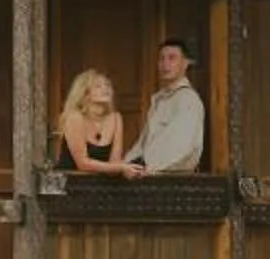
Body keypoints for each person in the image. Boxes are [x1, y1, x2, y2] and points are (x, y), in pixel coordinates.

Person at [124, 37, 206, 177]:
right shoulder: (158, 100)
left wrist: (147, 167)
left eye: (172, 58)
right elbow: (143, 142)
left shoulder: (188, 100)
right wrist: (125, 165)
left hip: (173, 177)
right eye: (161, 59)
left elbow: (181, 146)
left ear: (185, 64)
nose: (165, 64)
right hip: (148, 174)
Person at [58, 67, 130, 174]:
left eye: (107, 85)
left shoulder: (116, 118)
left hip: (102, 183)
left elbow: (115, 162)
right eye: (98, 86)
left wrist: (124, 168)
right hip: (71, 181)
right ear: (85, 94)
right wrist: (121, 167)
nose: (105, 89)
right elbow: (83, 163)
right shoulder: (75, 117)